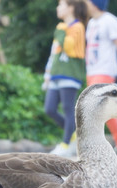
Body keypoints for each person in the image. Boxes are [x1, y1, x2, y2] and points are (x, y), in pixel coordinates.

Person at [85, 0, 117, 153]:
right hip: (92, 71)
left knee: (95, 106)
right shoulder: (91, 23)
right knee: (98, 109)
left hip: (105, 71)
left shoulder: (110, 21)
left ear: (94, 3)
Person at [43, 0, 87, 157]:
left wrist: (62, 32)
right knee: (50, 109)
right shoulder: (60, 27)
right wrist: (47, 74)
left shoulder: (77, 27)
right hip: (56, 73)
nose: (58, 8)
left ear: (71, 8)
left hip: (69, 74)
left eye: (61, 5)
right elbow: (54, 52)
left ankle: (66, 143)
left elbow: (71, 49)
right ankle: (74, 133)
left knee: (68, 109)